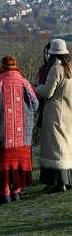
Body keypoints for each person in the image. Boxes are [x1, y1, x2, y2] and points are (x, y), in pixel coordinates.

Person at [0, 56, 39, 205]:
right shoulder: (25, 83)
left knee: (3, 166)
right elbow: (36, 104)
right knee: (20, 164)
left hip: (3, 135)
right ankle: (17, 192)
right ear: (16, 67)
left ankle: (4, 194)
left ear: (2, 67)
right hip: (23, 136)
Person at [36, 39, 72, 192]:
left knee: (54, 149)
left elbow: (48, 92)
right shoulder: (69, 69)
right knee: (65, 146)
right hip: (68, 111)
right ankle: (67, 180)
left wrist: (37, 87)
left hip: (54, 112)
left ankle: (57, 183)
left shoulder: (56, 69)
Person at [36, 42, 51, 127]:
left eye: (49, 53)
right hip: (43, 105)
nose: (47, 56)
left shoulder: (57, 70)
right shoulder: (42, 69)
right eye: (45, 53)